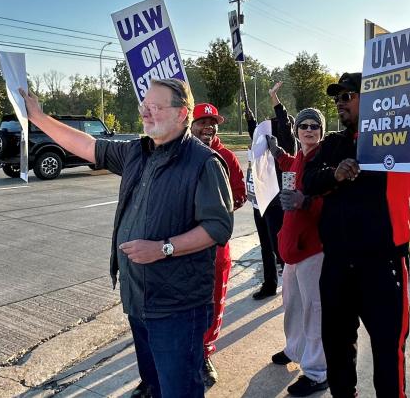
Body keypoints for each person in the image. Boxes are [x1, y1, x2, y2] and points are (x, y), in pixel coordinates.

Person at [19, 79, 234, 398]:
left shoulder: (203, 162)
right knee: (155, 385)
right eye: (143, 106)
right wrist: (38, 118)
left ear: (181, 114)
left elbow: (217, 227)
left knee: (179, 390)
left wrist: (163, 249)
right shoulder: (137, 151)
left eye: (155, 107)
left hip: (177, 307)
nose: (146, 113)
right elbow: (87, 145)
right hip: (138, 299)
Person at [303, 25, 410, 398]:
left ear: (374, 98)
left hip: (383, 265)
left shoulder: (397, 134)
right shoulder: (332, 144)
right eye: (337, 98)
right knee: (336, 347)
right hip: (336, 265)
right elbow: (308, 181)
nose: (340, 103)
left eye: (348, 95)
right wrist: (336, 173)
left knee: (387, 352)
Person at [265, 105, 330, 396]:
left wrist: (306, 203)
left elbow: (332, 202)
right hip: (292, 250)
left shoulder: (325, 159)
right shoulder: (302, 157)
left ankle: (318, 372)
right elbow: (292, 166)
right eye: (303, 126)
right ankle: (294, 350)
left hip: (313, 250)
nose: (308, 130)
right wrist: (278, 153)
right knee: (291, 306)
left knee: (313, 311)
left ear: (321, 131)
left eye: (314, 126)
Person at [190, 103, 246, 388]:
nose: (208, 127)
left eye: (213, 123)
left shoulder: (225, 156)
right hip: (180, 250)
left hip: (215, 248)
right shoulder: (178, 154)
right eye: (202, 122)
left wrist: (218, 213)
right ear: (190, 123)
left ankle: (204, 354)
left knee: (213, 304)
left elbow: (240, 193)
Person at [244, 83, 297, 300]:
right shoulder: (265, 144)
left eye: (276, 124)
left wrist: (275, 100)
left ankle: (291, 285)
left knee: (279, 247)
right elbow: (257, 136)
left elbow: (283, 125)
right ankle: (269, 283)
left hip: (276, 203)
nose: (272, 127)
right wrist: (250, 121)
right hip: (260, 201)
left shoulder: (286, 143)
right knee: (266, 245)